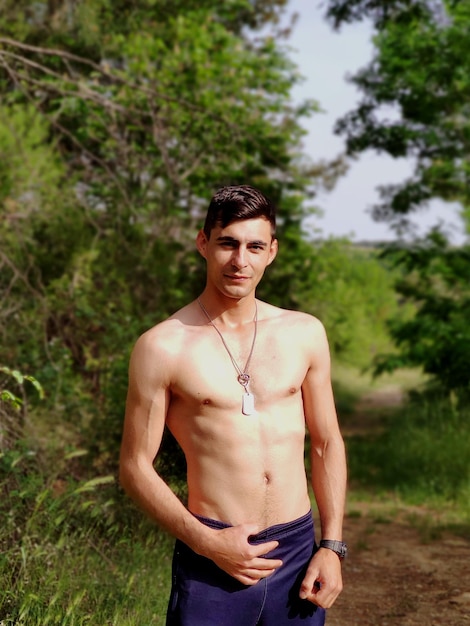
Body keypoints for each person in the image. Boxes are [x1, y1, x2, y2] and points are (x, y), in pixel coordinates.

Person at [119, 185, 347, 625]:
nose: (241, 260)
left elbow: (326, 442)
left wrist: (331, 546)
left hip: (297, 552)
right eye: (228, 243)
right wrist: (207, 543)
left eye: (255, 246)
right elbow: (134, 467)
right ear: (203, 243)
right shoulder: (161, 347)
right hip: (212, 561)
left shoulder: (304, 333)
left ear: (272, 251)